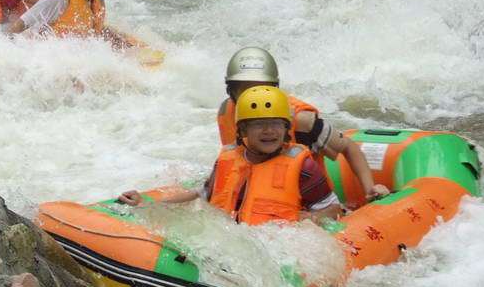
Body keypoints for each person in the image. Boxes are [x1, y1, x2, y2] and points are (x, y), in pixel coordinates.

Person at [120, 86, 342, 225]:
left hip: (277, 245)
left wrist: (311, 219)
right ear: (242, 131)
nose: (269, 131)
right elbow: (201, 194)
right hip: (229, 240)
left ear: (286, 129)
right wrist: (147, 204)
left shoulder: (303, 167)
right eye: (259, 125)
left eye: (276, 124)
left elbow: (333, 209)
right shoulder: (228, 159)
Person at [217, 47, 389, 202]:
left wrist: (369, 188)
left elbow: (348, 147)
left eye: (262, 88)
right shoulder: (226, 111)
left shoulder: (301, 120)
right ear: (231, 91)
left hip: (307, 201)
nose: (254, 96)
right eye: (244, 90)